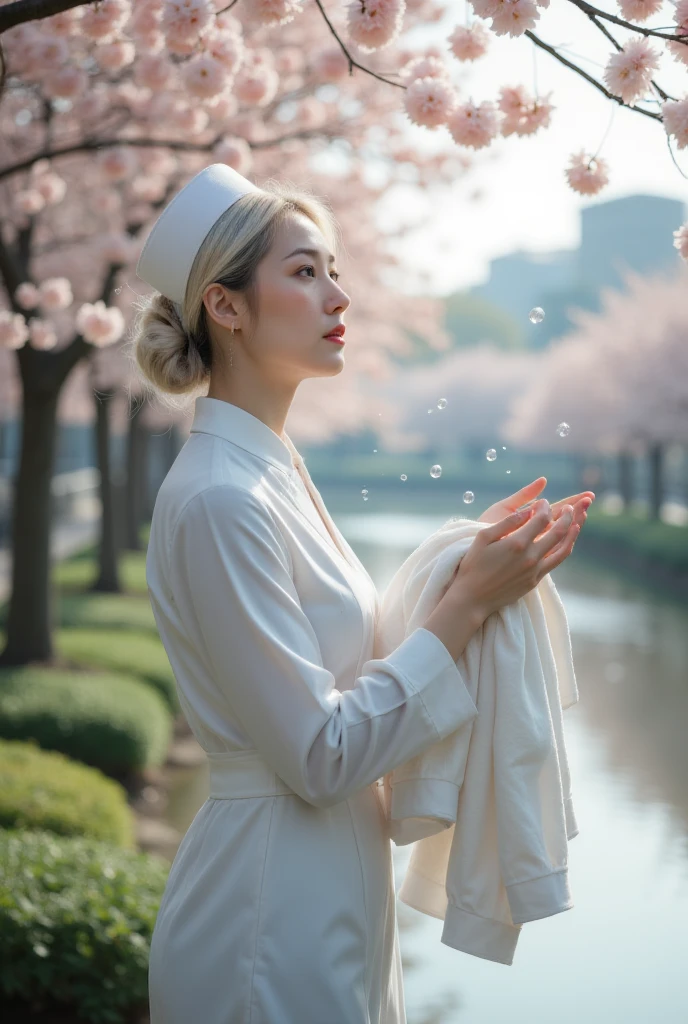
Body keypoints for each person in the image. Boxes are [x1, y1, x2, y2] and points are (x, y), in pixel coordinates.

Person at [130, 164, 591, 1024]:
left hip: (329, 877)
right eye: (304, 272)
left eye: (335, 268)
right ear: (225, 307)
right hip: (265, 909)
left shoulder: (271, 472)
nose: (339, 295)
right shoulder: (222, 498)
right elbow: (319, 754)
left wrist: (465, 570)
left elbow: (343, 669)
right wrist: (463, 609)